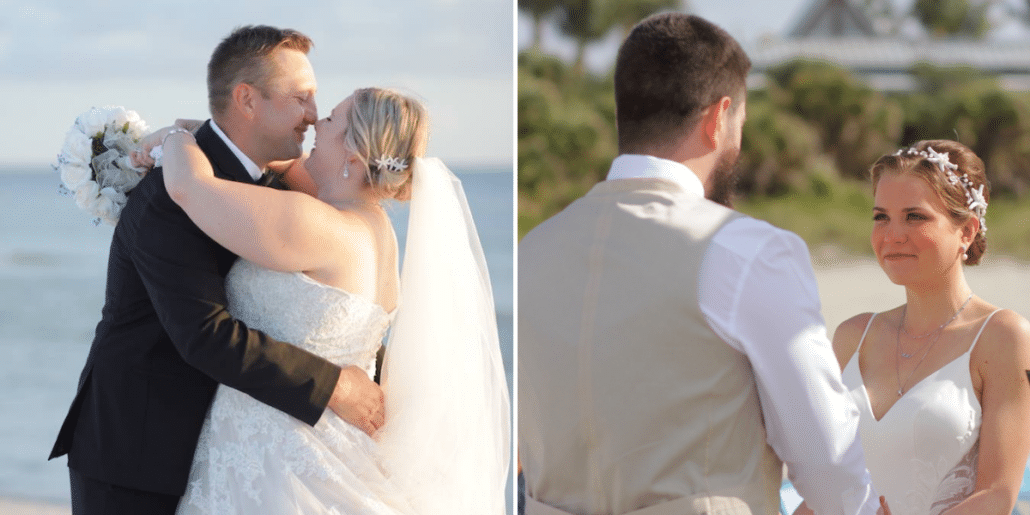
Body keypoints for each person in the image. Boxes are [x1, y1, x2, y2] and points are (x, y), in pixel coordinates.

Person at [519, 13, 889, 515]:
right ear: (717, 120)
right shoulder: (746, 250)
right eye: (740, 123)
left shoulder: (532, 253)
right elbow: (826, 460)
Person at [49, 26, 385, 515]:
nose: (314, 116)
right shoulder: (168, 197)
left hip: (224, 456)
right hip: (135, 454)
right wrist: (333, 384)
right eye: (301, 99)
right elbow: (204, 334)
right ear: (247, 100)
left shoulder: (272, 182)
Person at [160, 85, 509, 513]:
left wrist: (172, 137)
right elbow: (284, 165)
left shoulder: (317, 225)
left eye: (329, 121)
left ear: (353, 154)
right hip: (330, 446)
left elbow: (187, 187)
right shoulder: (376, 229)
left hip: (279, 460)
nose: (314, 125)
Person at [798, 140, 1030, 515]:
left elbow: (998, 495)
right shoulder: (852, 337)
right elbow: (826, 487)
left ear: (967, 231)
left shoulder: (1004, 337)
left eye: (915, 216)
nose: (892, 235)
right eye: (881, 217)